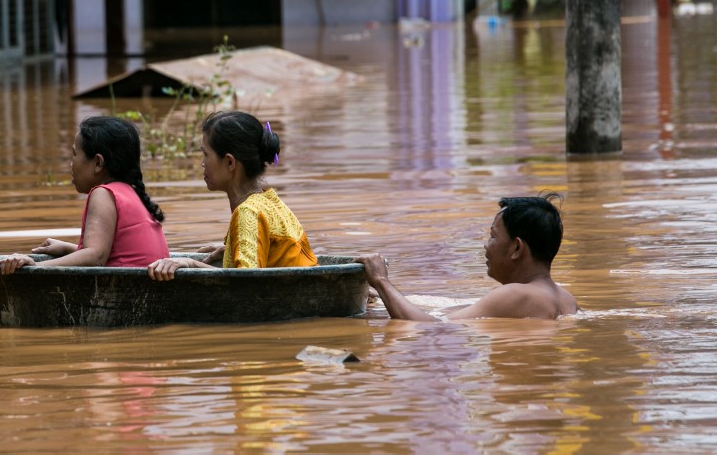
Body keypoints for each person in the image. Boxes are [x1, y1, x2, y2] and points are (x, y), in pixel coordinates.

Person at [147, 111, 316, 280]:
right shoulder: (270, 199)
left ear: (229, 162)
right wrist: (230, 249)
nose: (202, 163)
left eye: (206, 154)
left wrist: (191, 264)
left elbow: (245, 282)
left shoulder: (248, 212)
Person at [359, 193, 578, 320]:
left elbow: (429, 327)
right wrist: (382, 298)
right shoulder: (566, 299)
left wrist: (381, 281)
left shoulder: (515, 294)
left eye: (492, 236)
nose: (486, 245)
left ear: (517, 249)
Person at [0, 116, 168, 274]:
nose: (71, 163)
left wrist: (36, 266)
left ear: (98, 163)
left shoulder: (103, 193)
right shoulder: (130, 192)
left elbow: (96, 257)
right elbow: (118, 253)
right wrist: (70, 248)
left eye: (74, 154)